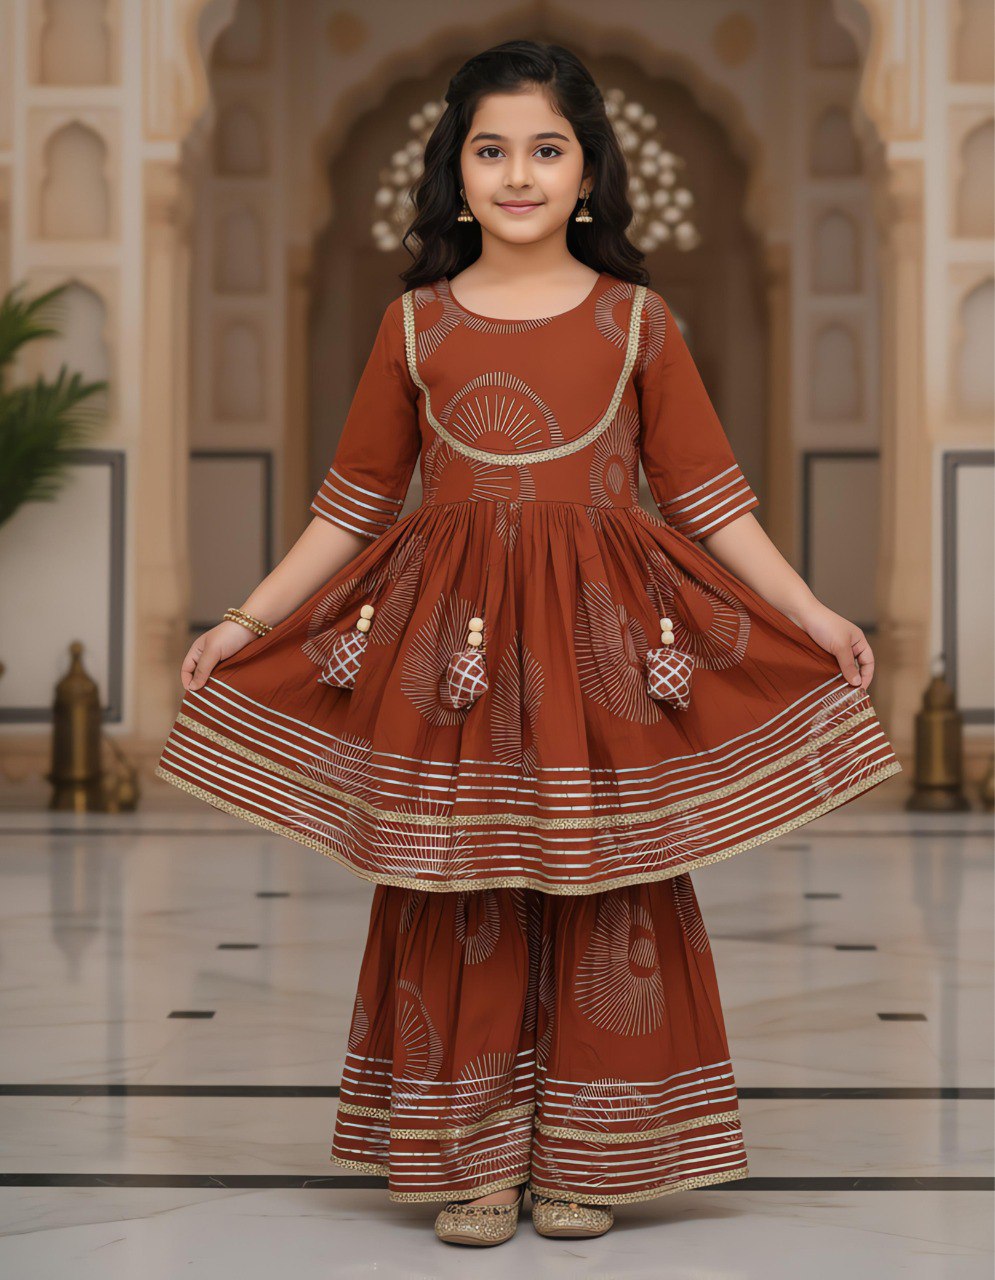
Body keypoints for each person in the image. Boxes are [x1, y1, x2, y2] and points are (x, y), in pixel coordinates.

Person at [155, 40, 902, 1247]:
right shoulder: (411, 326)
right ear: (456, 178)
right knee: (460, 889)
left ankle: (590, 1151)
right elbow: (350, 506)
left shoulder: (637, 321)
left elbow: (708, 497)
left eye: (544, 150)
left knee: (606, 886)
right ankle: (469, 1157)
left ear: (586, 175)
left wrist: (812, 614)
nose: (517, 174)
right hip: (448, 659)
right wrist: (244, 620)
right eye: (490, 151)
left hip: (602, 649)